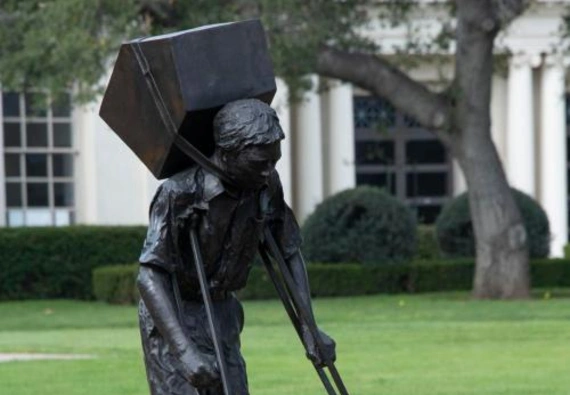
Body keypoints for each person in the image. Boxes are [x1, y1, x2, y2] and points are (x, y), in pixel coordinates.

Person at [137, 98, 335, 395]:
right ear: (227, 154)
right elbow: (149, 275)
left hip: (222, 311)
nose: (269, 171)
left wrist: (309, 327)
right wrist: (185, 352)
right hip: (175, 315)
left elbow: (289, 252)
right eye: (259, 163)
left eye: (274, 162)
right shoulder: (179, 193)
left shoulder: (265, 186)